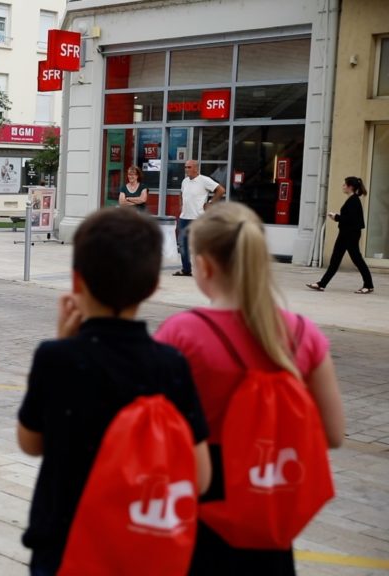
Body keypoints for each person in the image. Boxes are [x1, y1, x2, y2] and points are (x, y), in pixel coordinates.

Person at [17, 208, 211, 576]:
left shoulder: (56, 358)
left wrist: (63, 342)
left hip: (65, 545)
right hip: (142, 545)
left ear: (77, 282)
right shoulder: (171, 365)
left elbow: (31, 442)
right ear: (154, 285)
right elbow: (199, 476)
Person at [155, 202, 344, 576]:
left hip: (201, 505)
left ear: (204, 266)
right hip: (269, 499)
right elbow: (334, 434)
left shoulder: (180, 334)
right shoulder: (304, 334)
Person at [307, 176, 374, 294]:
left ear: (350, 187)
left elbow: (352, 220)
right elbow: (349, 217)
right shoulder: (352, 199)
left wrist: (336, 217)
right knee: (335, 260)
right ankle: (321, 284)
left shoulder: (354, 200)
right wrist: (338, 217)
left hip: (350, 235)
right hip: (345, 233)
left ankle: (368, 285)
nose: (343, 187)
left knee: (357, 260)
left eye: (344, 185)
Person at [174, 159, 225, 276]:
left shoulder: (204, 180)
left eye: (189, 167)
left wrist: (211, 203)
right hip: (184, 218)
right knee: (183, 245)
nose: (186, 169)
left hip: (198, 218)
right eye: (185, 167)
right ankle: (186, 269)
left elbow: (221, 190)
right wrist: (181, 205)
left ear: (196, 169)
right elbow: (181, 193)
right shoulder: (184, 181)